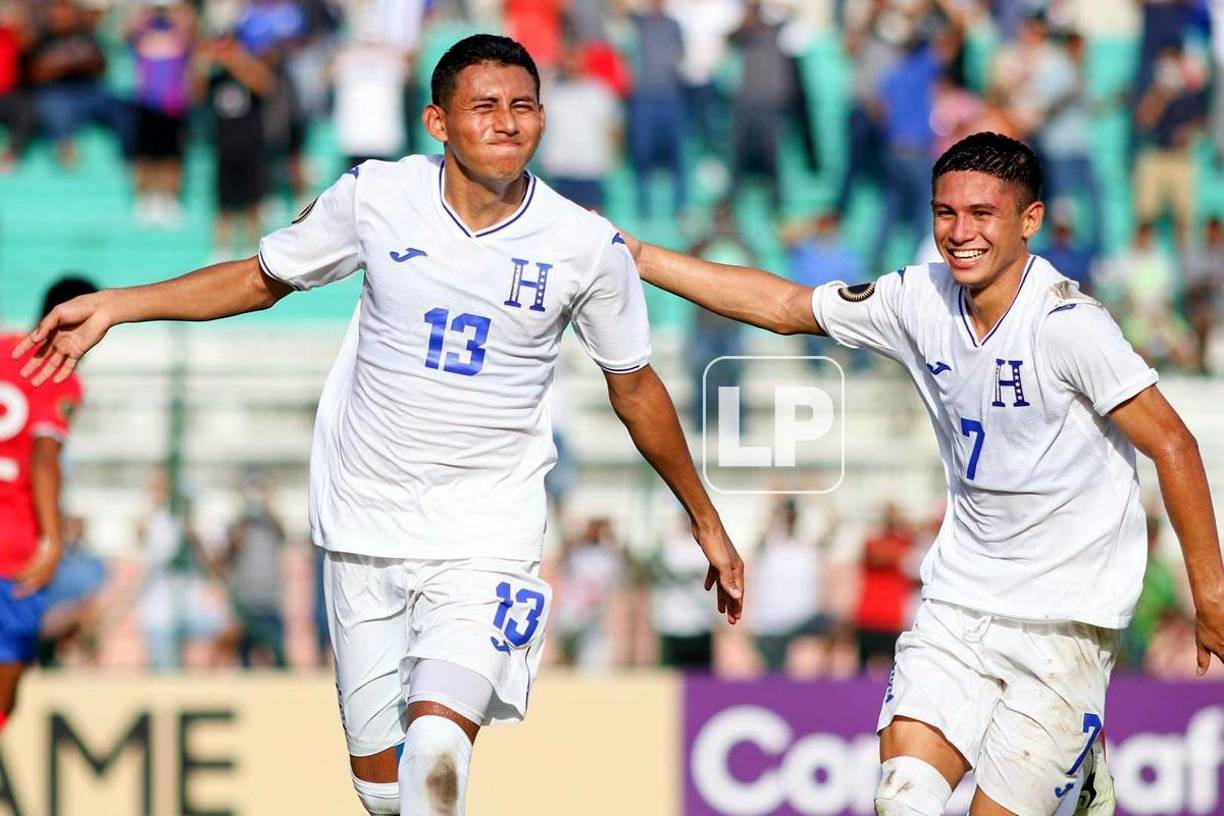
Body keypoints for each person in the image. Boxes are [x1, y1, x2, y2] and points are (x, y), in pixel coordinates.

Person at [13, 34, 743, 816]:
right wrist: (121, 304)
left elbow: (634, 388)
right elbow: (261, 279)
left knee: (436, 749)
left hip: (486, 531)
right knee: (379, 789)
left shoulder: (584, 246)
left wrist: (704, 516)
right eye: (485, 106)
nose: (508, 123)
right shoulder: (374, 197)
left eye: (524, 105)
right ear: (436, 120)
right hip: (363, 521)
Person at [624, 131, 1224, 816]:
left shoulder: (1068, 326)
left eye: (981, 215)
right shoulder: (917, 298)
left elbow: (1174, 443)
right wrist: (638, 256)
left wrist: (1210, 596)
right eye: (945, 213)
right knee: (901, 798)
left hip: (1065, 622)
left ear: (1029, 221)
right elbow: (785, 308)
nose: (959, 233)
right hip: (958, 606)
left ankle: (1078, 764)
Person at [0, 276, 95, 733]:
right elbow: (44, 456)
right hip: (14, 552)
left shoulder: (2, 351)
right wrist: (53, 541)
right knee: (7, 685)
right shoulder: (59, 377)